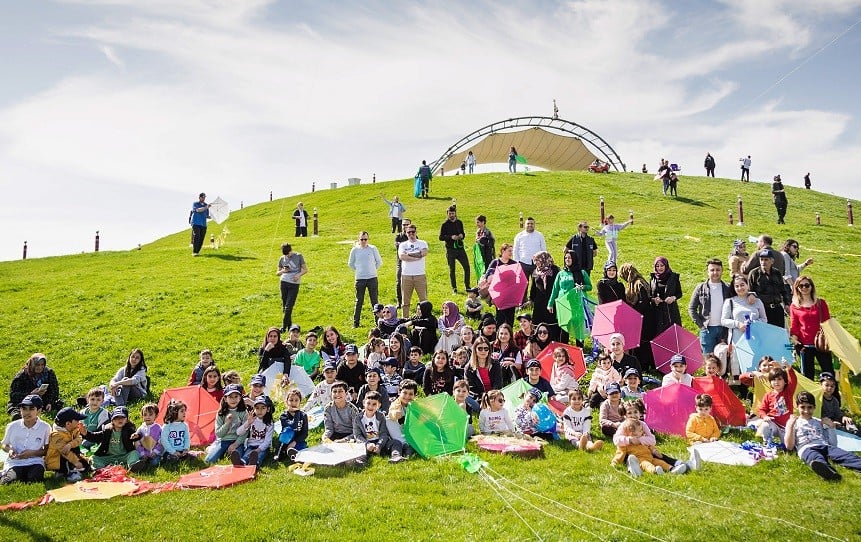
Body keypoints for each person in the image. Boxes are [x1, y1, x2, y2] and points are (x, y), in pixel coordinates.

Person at [785, 391, 861, 481]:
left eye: (810, 407)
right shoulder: (794, 422)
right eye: (802, 407)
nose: (806, 411)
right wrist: (790, 426)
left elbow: (833, 444)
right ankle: (829, 472)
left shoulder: (819, 422)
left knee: (845, 455)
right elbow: (789, 446)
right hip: (806, 448)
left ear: (814, 407)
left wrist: (831, 427)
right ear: (797, 407)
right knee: (815, 458)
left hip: (825, 446)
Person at [721, 274, 767, 380]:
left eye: (742, 285)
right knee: (736, 362)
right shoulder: (730, 302)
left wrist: (753, 323)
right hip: (737, 339)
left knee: (753, 360)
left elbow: (764, 319)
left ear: (747, 285)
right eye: (737, 286)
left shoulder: (757, 301)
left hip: (754, 338)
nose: (740, 288)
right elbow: (723, 320)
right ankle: (738, 384)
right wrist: (738, 324)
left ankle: (754, 382)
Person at [789, 276, 835, 379]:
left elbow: (827, 322)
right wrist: (794, 339)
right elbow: (794, 325)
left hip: (821, 344)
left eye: (807, 285)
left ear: (811, 287)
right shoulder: (794, 306)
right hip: (804, 346)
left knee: (829, 373)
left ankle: (831, 390)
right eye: (801, 286)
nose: (804, 288)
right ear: (797, 288)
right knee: (808, 376)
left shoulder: (821, 303)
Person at [0, 395, 51, 485]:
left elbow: (47, 450)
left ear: (39, 411)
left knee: (35, 478)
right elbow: (4, 445)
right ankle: (10, 473)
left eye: (31, 409)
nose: (27, 412)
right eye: (24, 409)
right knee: (8, 481)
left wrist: (32, 453)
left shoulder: (45, 427)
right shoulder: (12, 426)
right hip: (15, 462)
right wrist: (10, 450)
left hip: (35, 461)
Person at [688, 258, 733, 355]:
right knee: (708, 360)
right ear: (707, 272)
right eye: (712, 270)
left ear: (722, 270)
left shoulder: (728, 288)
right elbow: (692, 308)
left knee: (723, 358)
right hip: (707, 330)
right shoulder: (700, 288)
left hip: (724, 329)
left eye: (718, 270)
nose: (715, 272)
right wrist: (701, 325)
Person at [547, 250, 592, 346]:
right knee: (564, 329)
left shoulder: (582, 272)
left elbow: (590, 286)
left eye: (570, 257)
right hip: (564, 305)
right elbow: (555, 289)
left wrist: (582, 287)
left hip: (577, 305)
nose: (567, 259)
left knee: (578, 329)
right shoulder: (561, 273)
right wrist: (550, 304)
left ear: (574, 259)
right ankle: (563, 350)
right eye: (566, 258)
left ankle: (580, 350)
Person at [619, 263, 657, 373]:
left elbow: (643, 301)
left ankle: (644, 365)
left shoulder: (638, 284)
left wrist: (633, 312)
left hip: (644, 317)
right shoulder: (637, 282)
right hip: (642, 316)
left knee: (643, 341)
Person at [353, 391, 404, 464]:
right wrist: (367, 444)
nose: (370, 406)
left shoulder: (381, 416)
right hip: (366, 443)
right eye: (368, 403)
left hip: (380, 442)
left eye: (374, 404)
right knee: (358, 448)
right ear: (364, 403)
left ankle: (396, 456)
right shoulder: (358, 418)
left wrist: (379, 445)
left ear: (379, 405)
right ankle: (361, 461)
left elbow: (384, 433)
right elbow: (357, 435)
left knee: (396, 443)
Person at [7, 352, 62, 420]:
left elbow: (54, 390)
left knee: (58, 403)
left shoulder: (48, 373)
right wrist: (31, 394)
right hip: (25, 400)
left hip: (43, 400)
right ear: (32, 364)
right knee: (15, 405)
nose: (40, 367)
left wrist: (50, 402)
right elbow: (13, 395)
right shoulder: (22, 375)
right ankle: (17, 415)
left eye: (42, 365)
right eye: (37, 365)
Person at [480, 243, 521, 327]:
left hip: (511, 294)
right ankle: (499, 333)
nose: (511, 253)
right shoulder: (495, 262)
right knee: (500, 317)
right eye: (509, 251)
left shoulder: (514, 263)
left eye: (511, 251)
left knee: (510, 317)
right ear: (503, 251)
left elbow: (519, 278)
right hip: (499, 294)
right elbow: (488, 275)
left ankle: (509, 333)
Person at [205, 384, 248, 463]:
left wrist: (235, 444)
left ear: (240, 398)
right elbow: (219, 434)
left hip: (237, 441)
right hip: (224, 441)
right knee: (209, 460)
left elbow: (245, 431)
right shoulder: (221, 413)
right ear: (225, 398)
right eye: (230, 397)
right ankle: (223, 452)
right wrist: (227, 423)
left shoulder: (243, 412)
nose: (233, 399)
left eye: (236, 396)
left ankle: (232, 454)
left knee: (237, 458)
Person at [756, 364, 798, 445]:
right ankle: (767, 443)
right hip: (773, 424)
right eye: (773, 380)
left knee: (788, 445)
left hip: (787, 426)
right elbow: (762, 410)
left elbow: (794, 380)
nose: (776, 382)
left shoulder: (788, 391)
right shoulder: (768, 395)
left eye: (779, 379)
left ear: (785, 381)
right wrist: (765, 416)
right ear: (770, 382)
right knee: (765, 426)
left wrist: (789, 368)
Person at [348, 231, 383, 328]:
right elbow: (350, 263)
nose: (363, 241)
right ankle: (356, 323)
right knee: (359, 301)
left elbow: (379, 262)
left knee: (374, 301)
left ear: (368, 239)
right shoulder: (355, 250)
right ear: (358, 240)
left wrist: (372, 269)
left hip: (372, 278)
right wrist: (359, 270)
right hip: (360, 279)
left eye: (365, 239)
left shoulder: (373, 248)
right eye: (361, 239)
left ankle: (378, 322)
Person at [748, 250, 790, 328]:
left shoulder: (777, 273)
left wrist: (787, 303)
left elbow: (783, 290)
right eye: (761, 259)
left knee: (778, 332)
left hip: (777, 309)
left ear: (772, 261)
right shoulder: (754, 274)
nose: (763, 262)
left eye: (766, 260)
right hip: (762, 310)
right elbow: (750, 291)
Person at [46, 407, 90, 481]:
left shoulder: (74, 429)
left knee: (86, 466)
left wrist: (70, 445)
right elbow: (65, 452)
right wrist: (76, 462)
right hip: (57, 460)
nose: (79, 422)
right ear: (68, 424)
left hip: (71, 456)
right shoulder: (56, 435)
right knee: (66, 456)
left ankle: (72, 469)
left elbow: (79, 439)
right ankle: (65, 472)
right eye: (77, 420)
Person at [398, 224, 429, 318]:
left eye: (413, 232)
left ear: (416, 232)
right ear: (406, 233)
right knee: (405, 302)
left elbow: (423, 253)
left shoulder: (422, 243)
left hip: (420, 275)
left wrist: (409, 255)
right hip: (406, 276)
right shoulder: (403, 245)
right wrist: (416, 256)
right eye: (409, 232)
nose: (411, 234)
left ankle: (424, 319)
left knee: (423, 301)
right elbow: (402, 256)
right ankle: (405, 320)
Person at [528, 251, 560, 339]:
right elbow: (534, 287)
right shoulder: (536, 271)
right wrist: (531, 299)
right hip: (539, 302)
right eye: (535, 261)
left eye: (537, 260)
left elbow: (558, 286)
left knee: (551, 323)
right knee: (538, 323)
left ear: (544, 259)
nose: (536, 263)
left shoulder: (555, 270)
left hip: (551, 301)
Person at [277, 242, 308, 332]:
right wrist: (283, 271)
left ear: (291, 250)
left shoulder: (298, 256)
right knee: (285, 306)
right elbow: (277, 273)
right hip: (283, 282)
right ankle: (289, 325)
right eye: (286, 255)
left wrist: (298, 275)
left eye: (288, 254)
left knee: (289, 306)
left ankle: (283, 327)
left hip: (294, 284)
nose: (287, 256)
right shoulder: (282, 258)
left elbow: (305, 269)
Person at [439, 205, 470, 293]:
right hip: (450, 250)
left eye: (453, 213)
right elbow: (441, 237)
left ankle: (467, 286)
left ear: (455, 213)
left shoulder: (459, 222)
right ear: (447, 214)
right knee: (452, 269)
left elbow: (463, 233)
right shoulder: (444, 224)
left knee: (467, 267)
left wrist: (462, 235)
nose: (451, 215)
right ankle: (454, 288)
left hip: (460, 249)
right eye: (450, 213)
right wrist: (450, 237)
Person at [234, 397, 273, 467]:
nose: (260, 411)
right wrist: (248, 423)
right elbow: (238, 432)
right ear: (254, 409)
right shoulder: (252, 419)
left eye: (263, 408)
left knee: (259, 455)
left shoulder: (269, 423)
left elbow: (267, 441)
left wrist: (258, 450)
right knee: (247, 454)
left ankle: (255, 464)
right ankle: (241, 462)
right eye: (257, 408)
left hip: (263, 447)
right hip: (251, 445)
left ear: (268, 409)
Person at [650, 256, 683, 335]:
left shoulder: (673, 277)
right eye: (657, 266)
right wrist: (654, 300)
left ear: (666, 266)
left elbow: (679, 293)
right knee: (659, 334)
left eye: (662, 265)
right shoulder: (653, 278)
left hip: (670, 311)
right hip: (657, 312)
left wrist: (673, 298)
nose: (660, 268)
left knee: (673, 334)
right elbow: (650, 295)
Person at [274, 389, 308, 462]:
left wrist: (294, 442)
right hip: (286, 440)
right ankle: (280, 452)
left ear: (300, 402)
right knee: (288, 430)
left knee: (302, 447)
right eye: (291, 400)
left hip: (297, 441)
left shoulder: (303, 415)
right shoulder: (284, 416)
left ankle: (292, 452)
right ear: (287, 402)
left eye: (296, 400)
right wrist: (297, 412)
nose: (293, 403)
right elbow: (293, 426)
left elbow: (305, 434)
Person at [819, 372, 856, 436]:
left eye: (832, 386)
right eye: (827, 385)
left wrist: (844, 417)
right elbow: (817, 416)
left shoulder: (835, 400)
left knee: (850, 424)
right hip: (823, 423)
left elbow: (838, 414)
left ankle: (855, 436)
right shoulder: (819, 399)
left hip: (835, 423)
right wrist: (831, 422)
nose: (829, 388)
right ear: (820, 385)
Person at [129, 403, 162, 471]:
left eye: (150, 415)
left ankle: (149, 462)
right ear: (142, 416)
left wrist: (155, 452)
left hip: (154, 453)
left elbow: (160, 441)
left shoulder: (158, 428)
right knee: (136, 442)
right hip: (143, 452)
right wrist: (142, 454)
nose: (147, 417)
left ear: (156, 415)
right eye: (145, 415)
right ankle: (142, 462)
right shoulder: (141, 428)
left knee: (154, 462)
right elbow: (137, 442)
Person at [513, 217, 546, 285]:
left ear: (534, 225)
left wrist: (543, 262)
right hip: (523, 264)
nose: (530, 225)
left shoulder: (539, 235)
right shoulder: (519, 236)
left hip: (537, 264)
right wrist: (517, 263)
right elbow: (515, 250)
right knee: (523, 284)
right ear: (525, 225)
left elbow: (543, 249)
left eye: (531, 223)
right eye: (528, 223)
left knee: (537, 284)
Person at [79, 387, 109, 452]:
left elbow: (101, 431)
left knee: (85, 444)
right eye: (92, 399)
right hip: (84, 436)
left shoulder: (104, 413)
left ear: (102, 401)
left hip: (96, 437)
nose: (95, 402)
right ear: (87, 400)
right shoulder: (82, 412)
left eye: (98, 400)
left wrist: (87, 436)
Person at [189, 192, 211, 256]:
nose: (203, 198)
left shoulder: (206, 205)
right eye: (202, 197)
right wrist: (206, 207)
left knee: (201, 238)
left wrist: (211, 217)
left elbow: (206, 215)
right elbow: (198, 210)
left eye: (204, 197)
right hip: (196, 223)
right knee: (197, 236)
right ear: (199, 197)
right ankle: (194, 252)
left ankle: (197, 252)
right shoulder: (195, 204)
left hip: (203, 224)